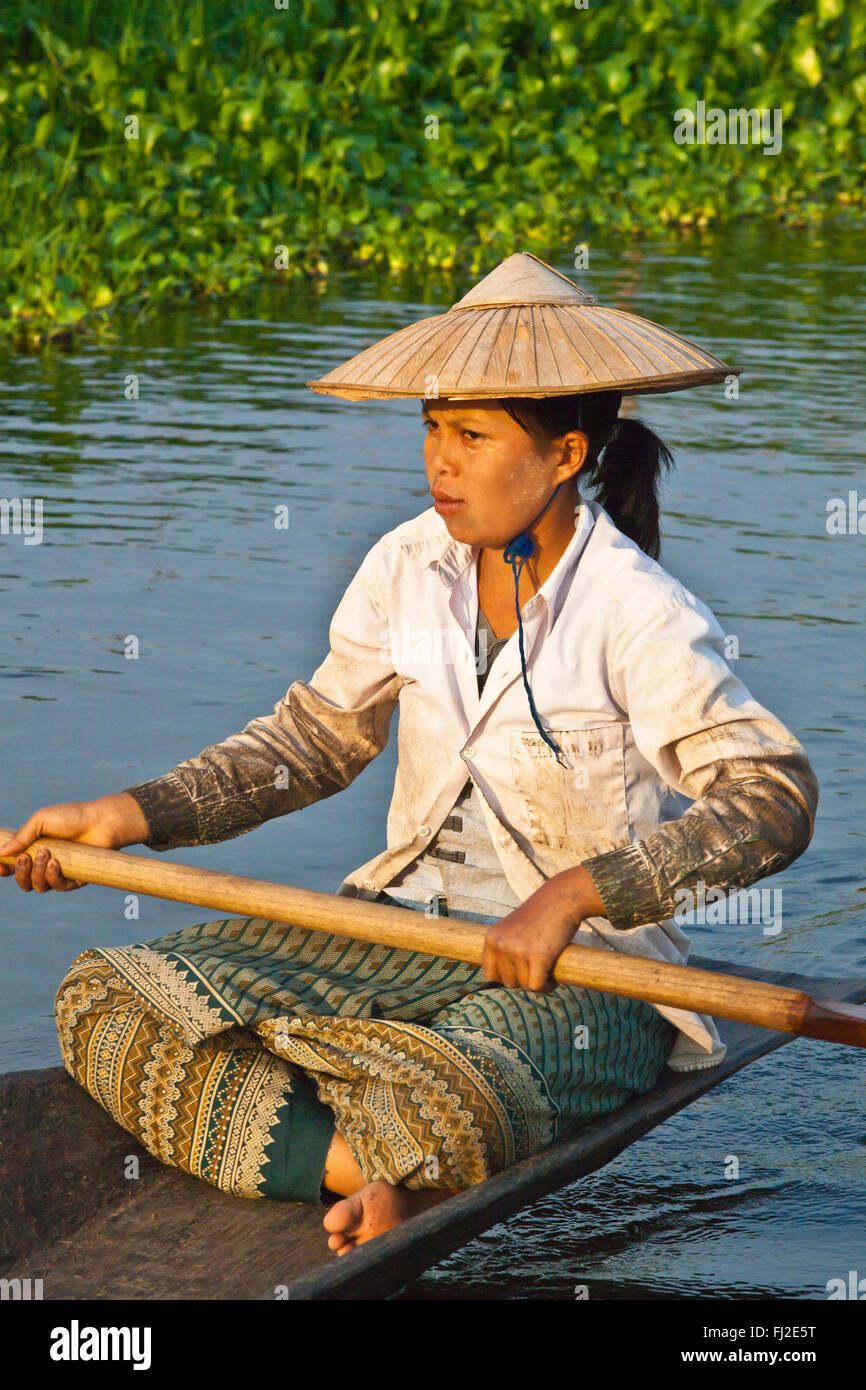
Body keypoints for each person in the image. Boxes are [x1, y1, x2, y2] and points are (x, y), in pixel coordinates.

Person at [0, 257, 818, 1256]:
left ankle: (355, 1129)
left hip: (576, 972)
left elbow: (770, 799)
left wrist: (570, 894)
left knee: (460, 1075)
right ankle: (368, 1167)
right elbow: (313, 740)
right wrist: (129, 815)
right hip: (392, 925)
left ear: (564, 454)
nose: (440, 461)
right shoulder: (406, 564)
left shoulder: (634, 611)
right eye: (431, 429)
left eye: (472, 436)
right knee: (105, 998)